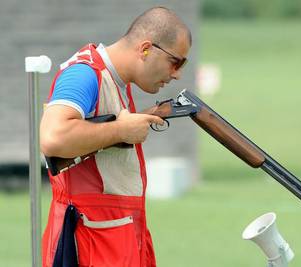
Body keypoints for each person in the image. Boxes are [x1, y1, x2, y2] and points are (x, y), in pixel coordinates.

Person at [39, 6, 191, 267]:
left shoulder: (115, 81)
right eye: (175, 62)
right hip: (91, 241)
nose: (177, 73)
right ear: (145, 49)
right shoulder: (84, 74)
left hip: (113, 236)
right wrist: (121, 130)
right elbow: (53, 137)